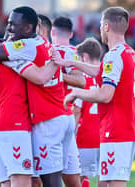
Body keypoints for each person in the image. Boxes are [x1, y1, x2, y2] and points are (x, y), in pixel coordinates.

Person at [0, 6, 74, 187]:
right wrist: (55, 65)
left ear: (28, 28)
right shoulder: (43, 45)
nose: (8, 28)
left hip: (37, 121)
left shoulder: (23, 48)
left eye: (12, 24)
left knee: (24, 180)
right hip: (50, 117)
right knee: (34, 179)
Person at [63, 7, 135, 187]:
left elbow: (105, 95)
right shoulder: (128, 52)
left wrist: (76, 93)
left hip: (116, 130)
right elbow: (101, 71)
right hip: (123, 128)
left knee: (114, 184)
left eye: (100, 25)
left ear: (106, 27)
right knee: (103, 184)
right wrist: (72, 63)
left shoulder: (114, 56)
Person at [51, 16, 82, 187]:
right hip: (68, 115)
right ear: (71, 34)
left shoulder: (46, 50)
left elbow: (80, 81)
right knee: (72, 178)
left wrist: (55, 75)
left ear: (52, 32)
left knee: (45, 177)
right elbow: (81, 81)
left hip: (50, 118)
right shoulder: (74, 53)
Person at [73, 37, 107, 187]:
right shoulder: (108, 76)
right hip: (104, 135)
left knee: (77, 178)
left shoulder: (83, 80)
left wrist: (71, 135)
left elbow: (77, 111)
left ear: (84, 57)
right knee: (104, 177)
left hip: (85, 137)